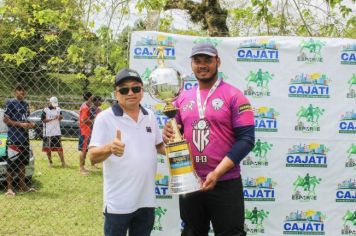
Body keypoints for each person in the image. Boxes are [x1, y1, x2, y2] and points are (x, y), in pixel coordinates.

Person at [163, 43, 255, 236]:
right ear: (191, 64)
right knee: (191, 233)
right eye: (197, 61)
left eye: (208, 60)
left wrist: (217, 173)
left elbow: (246, 139)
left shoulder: (234, 95)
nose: (202, 65)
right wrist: (168, 134)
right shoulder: (182, 98)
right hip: (190, 181)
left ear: (218, 61)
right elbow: (175, 133)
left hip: (225, 182)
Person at [89, 68, 165, 236]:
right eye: (124, 89)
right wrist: (110, 147)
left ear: (142, 91)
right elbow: (92, 157)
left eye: (135, 88)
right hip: (119, 202)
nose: (130, 93)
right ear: (116, 93)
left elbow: (159, 146)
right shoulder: (105, 118)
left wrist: (179, 148)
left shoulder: (150, 116)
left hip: (146, 200)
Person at [3, 84, 37, 197]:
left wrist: (30, 124)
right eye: (20, 90)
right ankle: (9, 188)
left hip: (24, 138)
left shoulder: (26, 105)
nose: (22, 92)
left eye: (24, 90)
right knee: (12, 164)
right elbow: (6, 120)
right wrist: (20, 124)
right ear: (15, 91)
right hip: (14, 138)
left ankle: (23, 186)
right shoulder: (10, 102)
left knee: (23, 163)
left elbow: (25, 119)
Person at [41, 96, 66, 168]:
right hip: (48, 132)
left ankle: (63, 162)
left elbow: (61, 117)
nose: (55, 105)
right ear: (50, 103)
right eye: (53, 104)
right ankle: (50, 162)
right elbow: (43, 120)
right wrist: (53, 118)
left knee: (59, 148)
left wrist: (60, 117)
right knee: (48, 148)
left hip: (57, 132)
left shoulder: (58, 109)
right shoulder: (45, 110)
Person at [78, 91, 94, 175]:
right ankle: (81, 168)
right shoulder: (85, 107)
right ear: (89, 97)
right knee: (83, 150)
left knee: (85, 150)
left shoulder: (87, 106)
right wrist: (94, 120)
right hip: (84, 131)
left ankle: (83, 167)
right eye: (92, 96)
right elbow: (84, 120)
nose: (93, 97)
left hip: (86, 131)